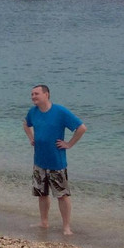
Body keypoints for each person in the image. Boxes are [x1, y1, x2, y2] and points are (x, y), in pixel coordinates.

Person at [23, 84, 86, 236]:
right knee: (42, 194)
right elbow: (26, 124)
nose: (33, 97)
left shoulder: (60, 111)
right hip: (39, 161)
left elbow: (82, 128)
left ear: (46, 95)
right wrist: (31, 138)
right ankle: (44, 222)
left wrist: (69, 144)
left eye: (36, 94)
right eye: (32, 94)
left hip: (56, 162)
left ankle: (66, 227)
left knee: (62, 195)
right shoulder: (33, 112)